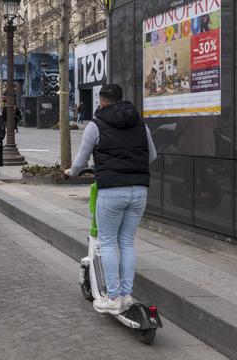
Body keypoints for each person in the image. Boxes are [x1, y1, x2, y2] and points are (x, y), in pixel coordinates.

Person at [64, 84, 157, 315]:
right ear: (121, 99)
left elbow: (80, 162)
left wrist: (70, 173)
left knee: (107, 242)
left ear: (102, 101)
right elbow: (152, 155)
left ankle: (112, 297)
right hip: (139, 190)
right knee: (126, 242)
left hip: (111, 191)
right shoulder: (139, 123)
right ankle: (126, 294)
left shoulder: (96, 125)